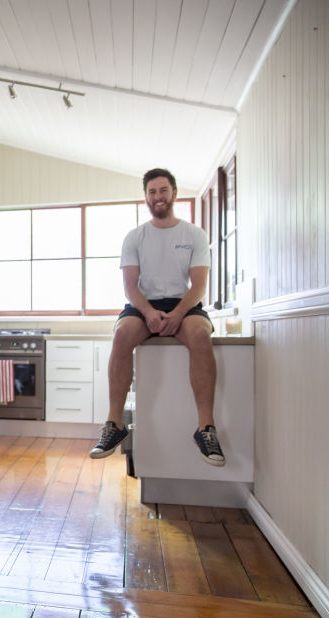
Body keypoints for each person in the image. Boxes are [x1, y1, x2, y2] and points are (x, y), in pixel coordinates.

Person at [90, 169, 225, 467]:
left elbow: (199, 285)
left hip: (184, 304)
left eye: (163, 190)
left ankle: (205, 428)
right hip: (142, 305)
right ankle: (115, 424)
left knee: (201, 336)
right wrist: (149, 313)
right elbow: (130, 287)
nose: (157, 197)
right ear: (146, 197)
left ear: (174, 193)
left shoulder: (194, 235)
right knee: (122, 335)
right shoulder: (135, 237)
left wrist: (177, 314)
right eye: (152, 192)